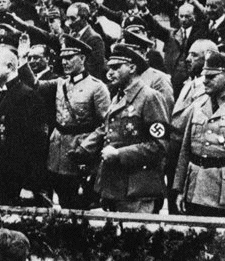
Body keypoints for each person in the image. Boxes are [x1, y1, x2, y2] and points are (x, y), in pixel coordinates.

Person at [70, 44, 169, 213]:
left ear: (132, 67)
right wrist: (84, 148)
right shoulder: (118, 96)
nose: (110, 73)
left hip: (138, 188)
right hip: (114, 186)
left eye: (116, 68)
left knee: (136, 236)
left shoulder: (150, 97)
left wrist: (120, 154)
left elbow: (160, 145)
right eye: (109, 68)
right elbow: (107, 128)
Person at [29, 35, 110, 208]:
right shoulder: (60, 83)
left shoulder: (97, 87)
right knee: (62, 199)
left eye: (69, 58)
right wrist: (22, 61)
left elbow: (107, 124)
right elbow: (34, 84)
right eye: (63, 58)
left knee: (79, 205)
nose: (65, 62)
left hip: (81, 154)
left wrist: (86, 147)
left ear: (82, 59)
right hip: (57, 154)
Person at [0, 46, 48, 205]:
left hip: (17, 181)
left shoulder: (28, 97)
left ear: (10, 67)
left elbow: (37, 146)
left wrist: (29, 185)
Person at [174, 51, 225, 216]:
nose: (205, 81)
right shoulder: (198, 105)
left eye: (212, 77)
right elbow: (185, 151)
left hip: (221, 191)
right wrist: (180, 189)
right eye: (204, 76)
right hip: (194, 190)